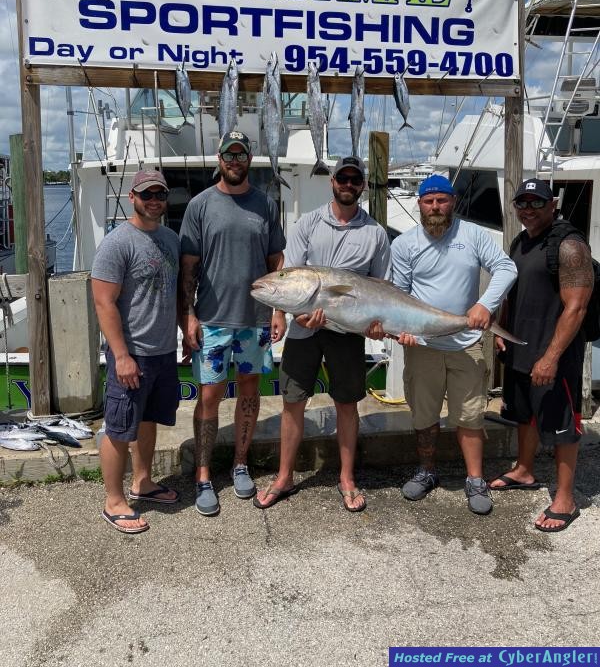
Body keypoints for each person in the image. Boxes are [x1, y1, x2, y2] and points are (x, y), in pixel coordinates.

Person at [254, 155, 391, 513]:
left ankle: (346, 478)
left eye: (355, 180)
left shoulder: (375, 233)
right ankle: (284, 476)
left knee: (346, 403)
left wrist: (377, 324)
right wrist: (283, 312)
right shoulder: (308, 223)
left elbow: (381, 287)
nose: (348, 185)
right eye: (342, 178)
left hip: (347, 330)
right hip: (304, 329)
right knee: (293, 402)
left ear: (363, 186)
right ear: (332, 182)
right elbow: (289, 278)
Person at [390, 174, 517, 515]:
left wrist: (485, 305)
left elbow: (506, 267)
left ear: (453, 202)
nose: (435, 206)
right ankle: (427, 471)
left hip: (467, 343)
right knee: (424, 414)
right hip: (422, 344)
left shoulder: (473, 235)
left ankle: (475, 479)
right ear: (419, 204)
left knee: (470, 415)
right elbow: (399, 295)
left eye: (442, 200)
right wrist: (401, 331)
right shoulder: (403, 244)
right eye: (428, 201)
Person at [179, 130, 286, 516]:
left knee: (250, 391)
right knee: (209, 395)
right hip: (212, 320)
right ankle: (203, 475)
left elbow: (276, 261)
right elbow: (188, 268)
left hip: (255, 319)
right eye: (229, 154)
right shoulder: (200, 205)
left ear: (250, 159)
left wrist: (279, 309)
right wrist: (188, 315)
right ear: (219, 158)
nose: (235, 161)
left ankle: (241, 463)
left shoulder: (265, 204)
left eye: (241, 155)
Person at [489, 179, 593, 532]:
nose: (528, 209)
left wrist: (550, 357)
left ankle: (565, 498)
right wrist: (501, 329)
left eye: (537, 202)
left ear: (553, 205)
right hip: (520, 348)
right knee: (524, 415)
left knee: (562, 425)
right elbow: (513, 291)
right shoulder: (521, 241)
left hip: (554, 355)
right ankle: (524, 470)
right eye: (523, 202)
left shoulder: (570, 245)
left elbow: (577, 308)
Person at [91, 169, 181, 534]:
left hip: (164, 350)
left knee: (148, 419)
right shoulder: (117, 243)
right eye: (147, 194)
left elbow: (175, 292)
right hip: (131, 353)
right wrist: (122, 355)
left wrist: (185, 331)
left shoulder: (171, 239)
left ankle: (142, 482)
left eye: (160, 194)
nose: (154, 200)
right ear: (133, 198)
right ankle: (113, 501)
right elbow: (103, 302)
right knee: (118, 426)